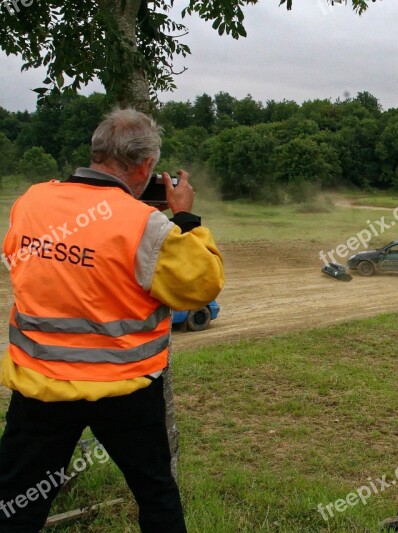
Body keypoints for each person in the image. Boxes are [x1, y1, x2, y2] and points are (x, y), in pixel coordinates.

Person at [0, 108, 224, 532]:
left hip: (40, 385)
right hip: (124, 388)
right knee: (155, 494)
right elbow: (202, 285)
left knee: (15, 502)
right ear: (146, 166)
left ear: (96, 150)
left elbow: (18, 257)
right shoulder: (147, 225)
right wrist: (186, 219)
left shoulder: (30, 201)